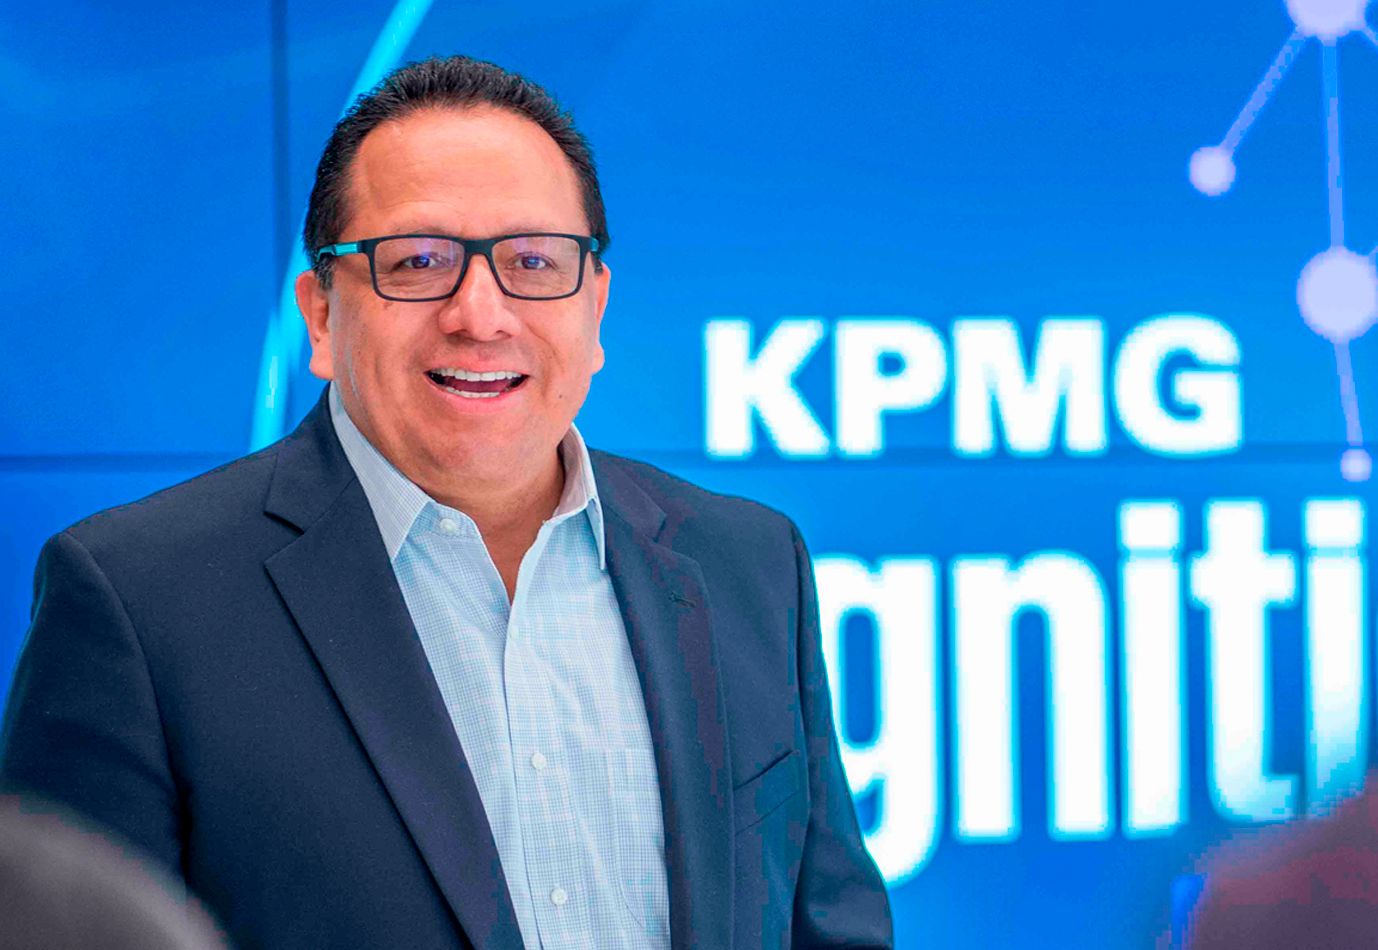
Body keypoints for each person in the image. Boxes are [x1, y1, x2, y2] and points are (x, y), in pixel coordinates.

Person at [0, 55, 892, 949]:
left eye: (534, 261)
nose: (480, 314)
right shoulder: (138, 601)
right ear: (321, 314)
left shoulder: (748, 565)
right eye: (418, 261)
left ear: (595, 308)